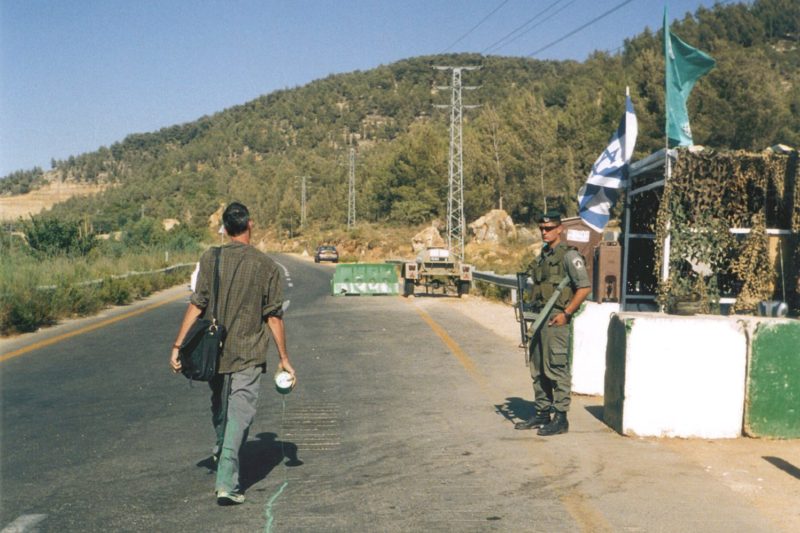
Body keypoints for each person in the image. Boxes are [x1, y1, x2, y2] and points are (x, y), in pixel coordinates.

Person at [170, 202, 296, 505]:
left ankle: (221, 449)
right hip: (249, 350)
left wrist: (178, 345)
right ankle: (226, 480)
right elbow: (273, 317)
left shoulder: (210, 258)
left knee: (220, 405)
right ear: (250, 224)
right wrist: (284, 357)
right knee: (240, 410)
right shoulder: (267, 266)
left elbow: (197, 303)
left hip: (214, 351)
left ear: (225, 228)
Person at [514, 209, 590, 436]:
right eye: (541, 229)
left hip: (556, 319)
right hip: (539, 318)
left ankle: (561, 418)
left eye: (548, 229)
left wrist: (566, 313)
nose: (544, 233)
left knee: (556, 369)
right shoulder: (544, 255)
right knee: (537, 369)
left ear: (560, 229)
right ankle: (542, 413)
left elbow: (584, 288)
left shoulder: (569, 256)